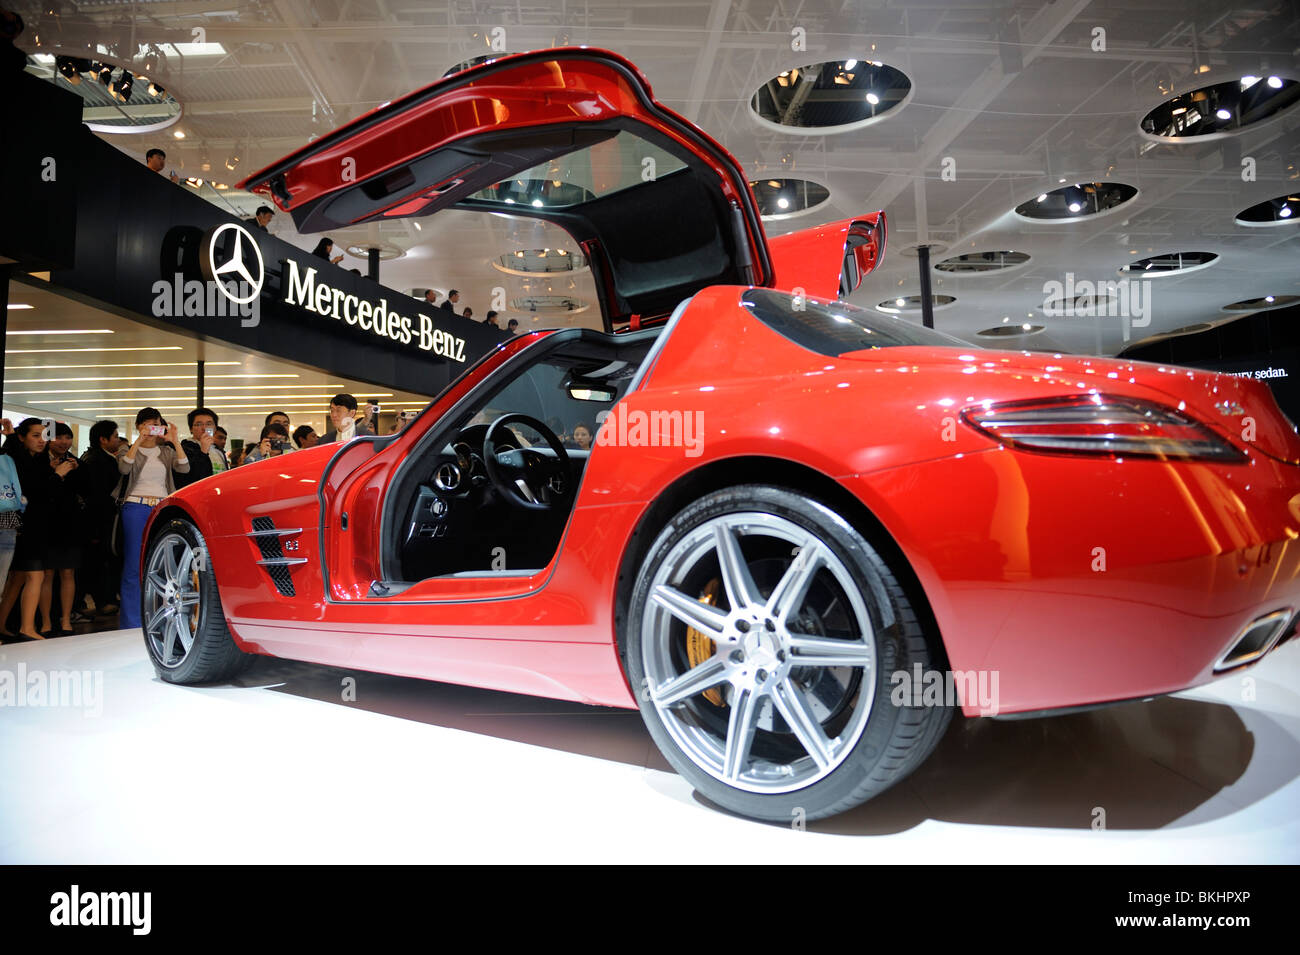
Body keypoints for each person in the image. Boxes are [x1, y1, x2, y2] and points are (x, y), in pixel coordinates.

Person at [117, 409, 190, 630]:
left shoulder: (166, 451)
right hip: (135, 506)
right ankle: (131, 622)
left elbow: (184, 468)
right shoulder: (128, 449)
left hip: (161, 507)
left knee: (162, 563)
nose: (151, 429)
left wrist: (175, 441)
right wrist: (139, 441)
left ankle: (160, 618)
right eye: (146, 425)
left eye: (155, 425)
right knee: (133, 563)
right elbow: (123, 467)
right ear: (139, 426)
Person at [0, 419, 71, 640]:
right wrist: (58, 475)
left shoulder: (33, 460)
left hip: (29, 525)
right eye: (35, 436)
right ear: (22, 438)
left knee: (19, 578)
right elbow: (38, 491)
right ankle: (27, 628)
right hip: (25, 525)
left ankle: (5, 624)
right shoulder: (16, 460)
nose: (42, 441)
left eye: (44, 436)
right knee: (34, 575)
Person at [75, 420, 122, 618]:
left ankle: (96, 601)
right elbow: (98, 496)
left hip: (95, 522)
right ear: (103, 440)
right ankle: (100, 601)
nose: (118, 440)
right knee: (97, 563)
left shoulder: (90, 457)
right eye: (116, 436)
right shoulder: (100, 461)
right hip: (98, 522)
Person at [41, 423, 82, 636]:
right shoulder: (38, 461)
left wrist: (77, 471)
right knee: (46, 574)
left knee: (68, 572)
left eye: (68, 437)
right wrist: (53, 471)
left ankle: (66, 620)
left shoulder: (77, 463)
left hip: (70, 524)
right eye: (59, 437)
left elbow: (88, 492)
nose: (64, 442)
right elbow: (39, 492)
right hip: (46, 524)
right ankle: (46, 622)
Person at [175, 407, 225, 487]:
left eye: (209, 424)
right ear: (191, 429)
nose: (204, 428)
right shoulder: (184, 449)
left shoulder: (218, 450)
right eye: (198, 424)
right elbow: (188, 478)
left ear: (215, 428)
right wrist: (203, 451)